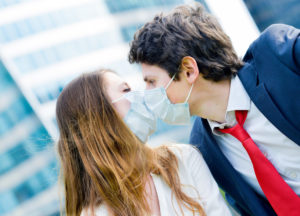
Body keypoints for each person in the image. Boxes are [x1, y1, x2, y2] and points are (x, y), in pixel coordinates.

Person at [128, 3, 300, 216]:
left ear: (189, 71)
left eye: (152, 81)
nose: (147, 93)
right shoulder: (203, 149)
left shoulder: (277, 55)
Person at [55, 69, 231, 216]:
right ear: (98, 117)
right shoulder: (94, 213)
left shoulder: (182, 158)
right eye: (126, 90)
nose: (141, 95)